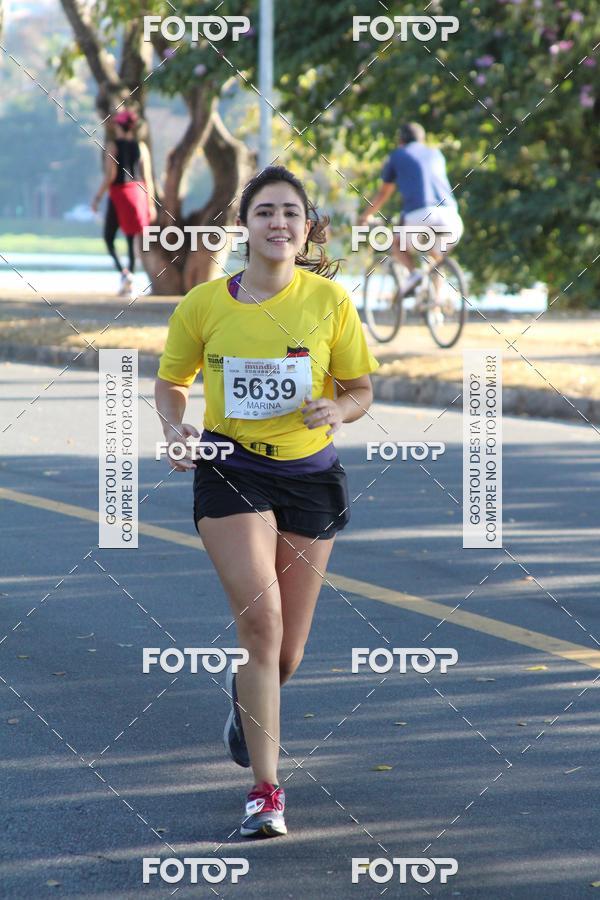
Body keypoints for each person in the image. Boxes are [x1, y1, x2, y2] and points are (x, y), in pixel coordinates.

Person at [155, 166, 379, 838]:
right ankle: (266, 791)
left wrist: (334, 408)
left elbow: (362, 390)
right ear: (245, 226)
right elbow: (171, 384)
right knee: (261, 626)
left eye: (291, 212)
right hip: (230, 468)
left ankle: (244, 704)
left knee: (286, 655)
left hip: (311, 475)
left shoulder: (329, 301)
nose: (279, 223)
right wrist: (175, 428)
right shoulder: (203, 303)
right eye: (265, 212)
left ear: (306, 227)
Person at [359, 122, 463, 296]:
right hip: (452, 217)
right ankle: (435, 306)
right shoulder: (436, 153)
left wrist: (365, 216)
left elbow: (384, 194)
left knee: (396, 242)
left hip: (420, 214)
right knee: (435, 259)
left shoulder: (398, 155)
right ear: (422, 140)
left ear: (400, 140)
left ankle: (414, 275)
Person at [92, 109, 156, 298]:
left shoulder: (113, 146)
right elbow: (148, 178)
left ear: (119, 126)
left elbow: (111, 175)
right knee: (131, 239)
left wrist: (97, 198)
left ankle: (124, 274)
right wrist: (150, 204)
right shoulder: (142, 146)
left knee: (109, 237)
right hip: (137, 192)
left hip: (119, 192)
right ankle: (130, 280)